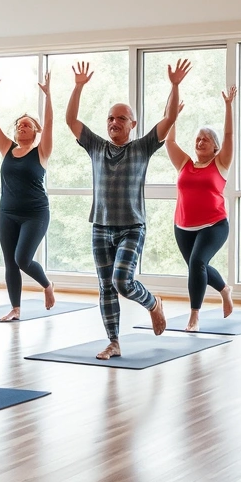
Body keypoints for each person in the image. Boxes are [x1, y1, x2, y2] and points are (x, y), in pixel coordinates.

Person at [64, 59, 191, 359]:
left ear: (132, 124)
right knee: (105, 287)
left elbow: (170, 117)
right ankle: (114, 341)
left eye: (121, 118)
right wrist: (78, 87)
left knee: (122, 281)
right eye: (110, 118)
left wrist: (174, 85)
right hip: (100, 225)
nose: (114, 123)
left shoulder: (142, 147)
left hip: (132, 226)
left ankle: (152, 304)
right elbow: (70, 119)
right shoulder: (95, 146)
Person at [0, 72, 56, 321]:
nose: (21, 127)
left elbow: (49, 122)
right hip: (7, 213)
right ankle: (15, 309)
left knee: (23, 258)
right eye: (18, 125)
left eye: (27, 124)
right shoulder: (7, 148)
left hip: (35, 214)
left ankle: (47, 285)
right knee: (10, 262)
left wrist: (47, 95)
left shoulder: (41, 151)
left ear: (35, 131)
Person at [165, 87, 237, 331]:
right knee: (198, 266)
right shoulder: (184, 163)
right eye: (197, 138)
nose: (200, 140)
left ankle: (194, 315)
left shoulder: (221, 163)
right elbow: (170, 140)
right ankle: (225, 289)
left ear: (215, 146)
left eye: (206, 138)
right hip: (183, 225)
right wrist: (172, 115)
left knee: (197, 263)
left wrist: (228, 105)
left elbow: (228, 135)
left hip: (214, 225)